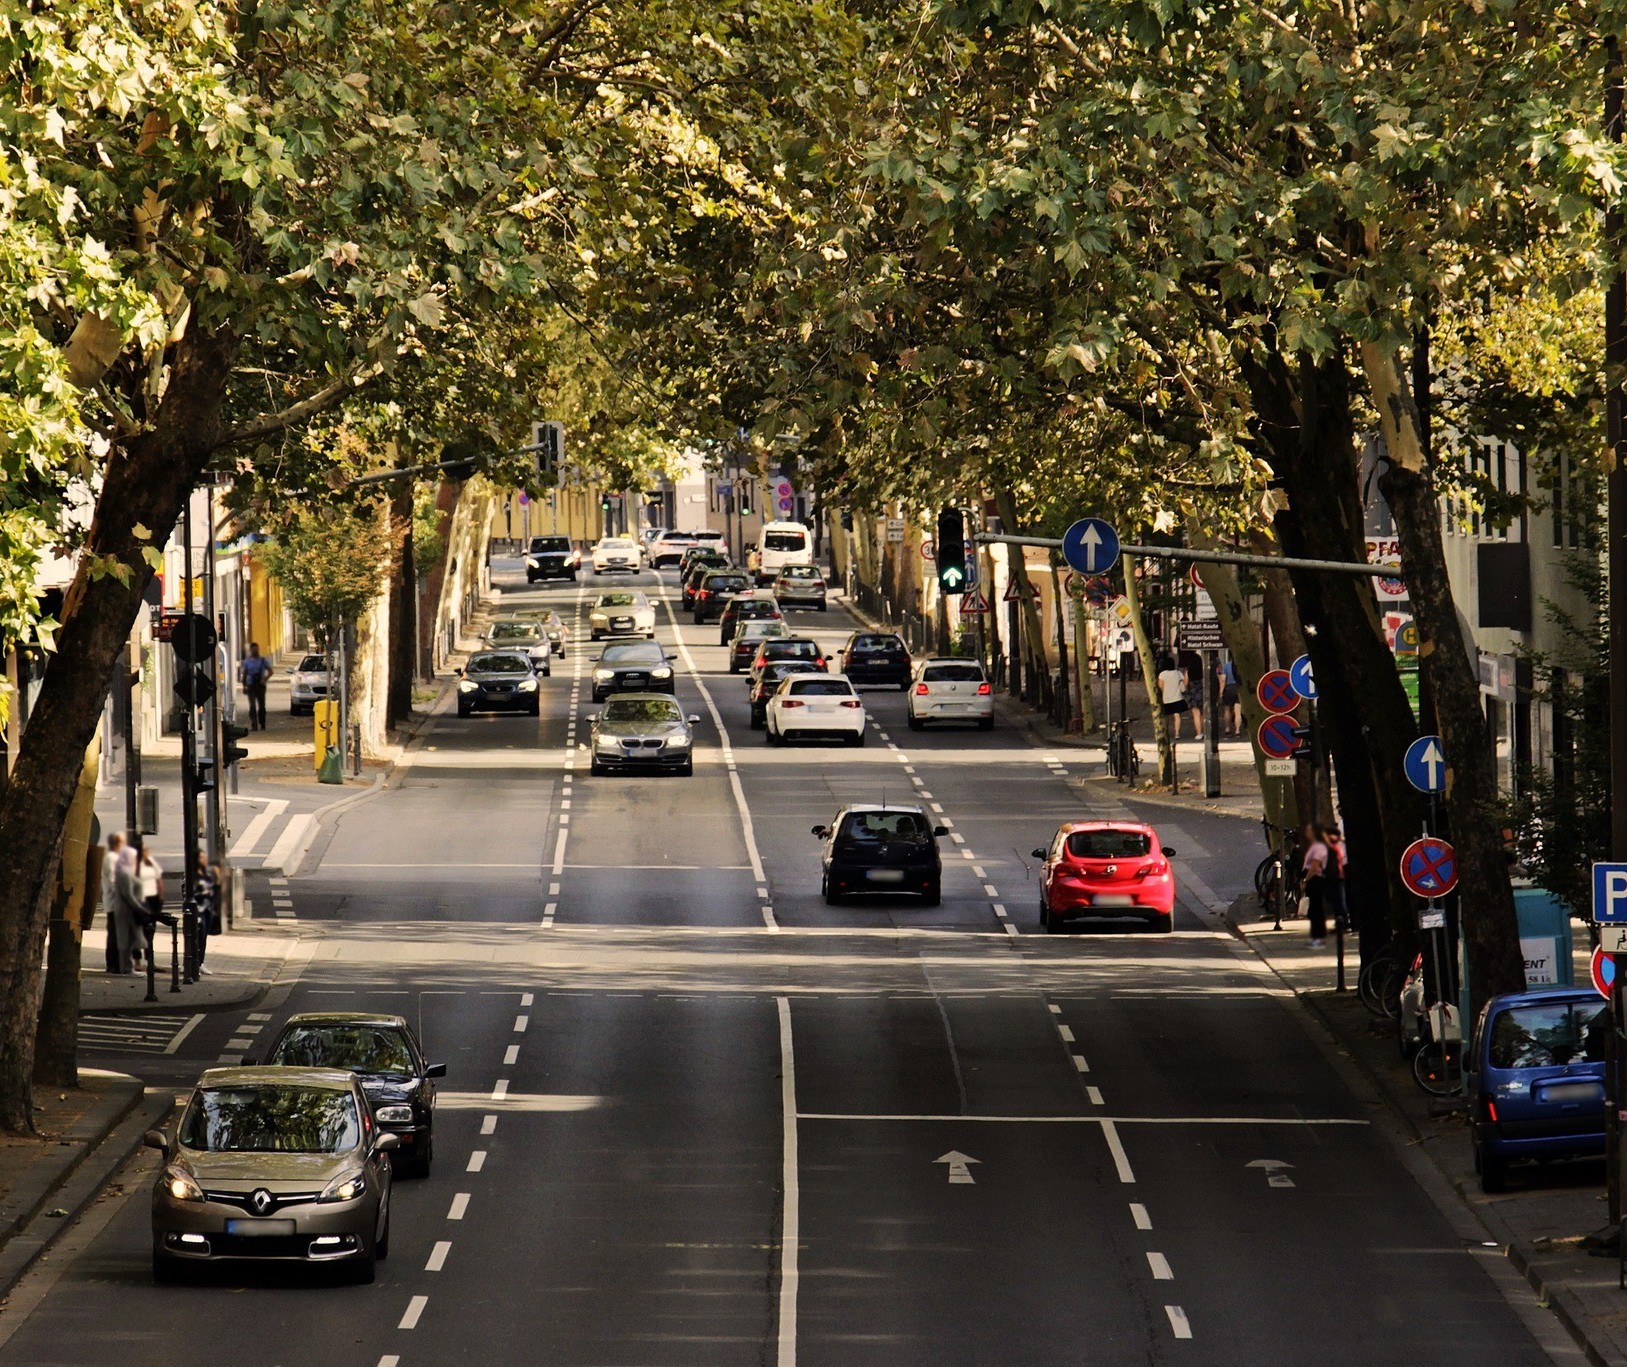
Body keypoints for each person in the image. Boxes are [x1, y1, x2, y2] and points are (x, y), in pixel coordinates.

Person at [112, 844, 148, 974]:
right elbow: (127, 894)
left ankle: (128, 966)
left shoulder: (126, 871)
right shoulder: (124, 873)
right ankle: (126, 968)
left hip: (129, 910)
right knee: (125, 939)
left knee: (131, 939)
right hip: (126, 910)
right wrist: (139, 908)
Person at [1300, 823, 1330, 947]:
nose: (1307, 832)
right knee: (1314, 908)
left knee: (1315, 909)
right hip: (1315, 880)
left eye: (1309, 830)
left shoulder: (1318, 847)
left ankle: (1318, 937)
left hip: (1316, 880)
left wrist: (1306, 880)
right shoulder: (1316, 846)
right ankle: (1316, 936)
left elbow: (1315, 866)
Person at [100, 832, 126, 973]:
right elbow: (114, 881)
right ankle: (114, 964)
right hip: (116, 903)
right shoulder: (111, 858)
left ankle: (117, 963)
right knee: (115, 934)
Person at [193, 851, 219, 974]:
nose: (205, 860)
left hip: (207, 910)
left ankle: (200, 963)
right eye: (203, 858)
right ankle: (191, 964)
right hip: (197, 910)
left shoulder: (206, 874)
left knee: (203, 937)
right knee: (196, 936)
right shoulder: (190, 874)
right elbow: (187, 892)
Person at [1322, 824, 1349, 934]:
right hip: (1333, 876)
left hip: (1337, 876)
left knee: (1339, 900)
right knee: (1336, 900)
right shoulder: (1336, 845)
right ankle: (1341, 922)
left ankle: (1343, 922)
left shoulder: (1336, 846)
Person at [240, 642, 273, 730]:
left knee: (261, 706)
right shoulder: (247, 661)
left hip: (261, 685)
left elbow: (270, 671)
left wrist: (264, 679)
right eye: (253, 649)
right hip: (251, 685)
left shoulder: (262, 660)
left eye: (256, 649)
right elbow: (245, 674)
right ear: (250, 650)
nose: (255, 651)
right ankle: (253, 724)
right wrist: (244, 686)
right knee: (252, 706)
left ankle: (262, 723)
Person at [1156, 656, 1188, 738]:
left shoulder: (1162, 675)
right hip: (1178, 698)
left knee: (1166, 717)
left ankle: (1165, 732)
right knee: (1177, 716)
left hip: (1166, 699)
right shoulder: (1178, 673)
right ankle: (1177, 733)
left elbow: (1160, 686)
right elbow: (1184, 684)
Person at [1220, 657, 1241, 737]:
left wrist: (1221, 692)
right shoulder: (1239, 666)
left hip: (1229, 688)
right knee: (1238, 711)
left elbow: (1223, 679)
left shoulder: (1226, 666)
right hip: (1238, 688)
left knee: (1227, 709)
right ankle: (1237, 730)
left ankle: (1227, 729)